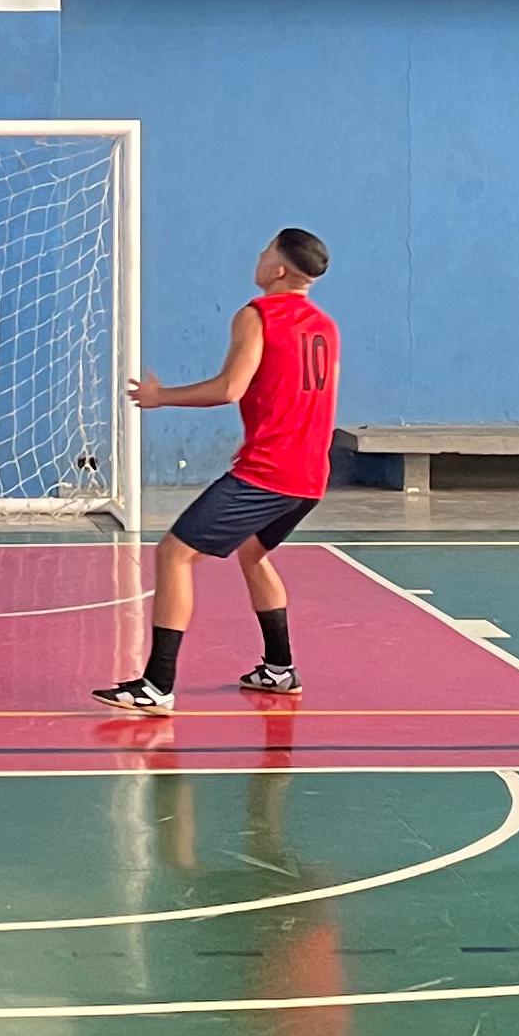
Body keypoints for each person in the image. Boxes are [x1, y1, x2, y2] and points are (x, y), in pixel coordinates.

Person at [93, 228, 338, 711]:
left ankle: (156, 684)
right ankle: (279, 669)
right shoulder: (325, 325)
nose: (259, 254)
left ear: (279, 270)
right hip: (310, 475)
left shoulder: (257, 314)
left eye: (265, 249)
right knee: (251, 551)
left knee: (173, 555)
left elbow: (230, 388)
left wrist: (162, 398)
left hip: (268, 472)